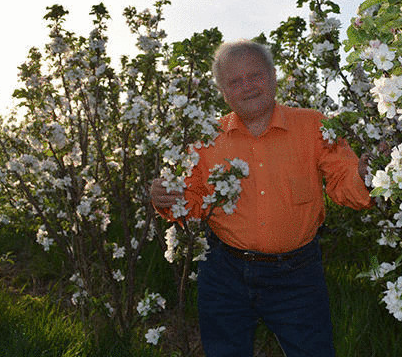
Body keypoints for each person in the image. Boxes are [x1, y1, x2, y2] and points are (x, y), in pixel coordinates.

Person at [151, 40, 373, 356]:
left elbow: (342, 180)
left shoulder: (313, 125)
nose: (248, 87)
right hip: (224, 270)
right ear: (223, 91)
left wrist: (366, 176)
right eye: (235, 81)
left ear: (273, 76)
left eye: (255, 76)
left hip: (298, 273)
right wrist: (165, 197)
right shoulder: (205, 138)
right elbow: (193, 203)